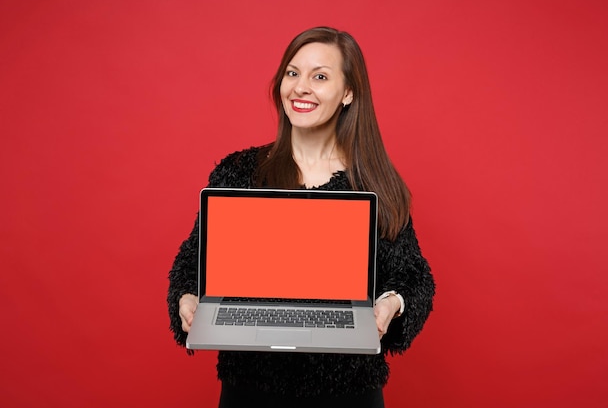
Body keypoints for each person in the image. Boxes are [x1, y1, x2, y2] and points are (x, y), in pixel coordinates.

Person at [167, 26, 435, 408]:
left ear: (348, 93)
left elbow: (413, 275)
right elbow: (192, 261)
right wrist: (187, 296)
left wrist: (392, 302)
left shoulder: (373, 183)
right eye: (292, 73)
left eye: (320, 77)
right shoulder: (240, 172)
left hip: (349, 391)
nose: (300, 87)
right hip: (250, 387)